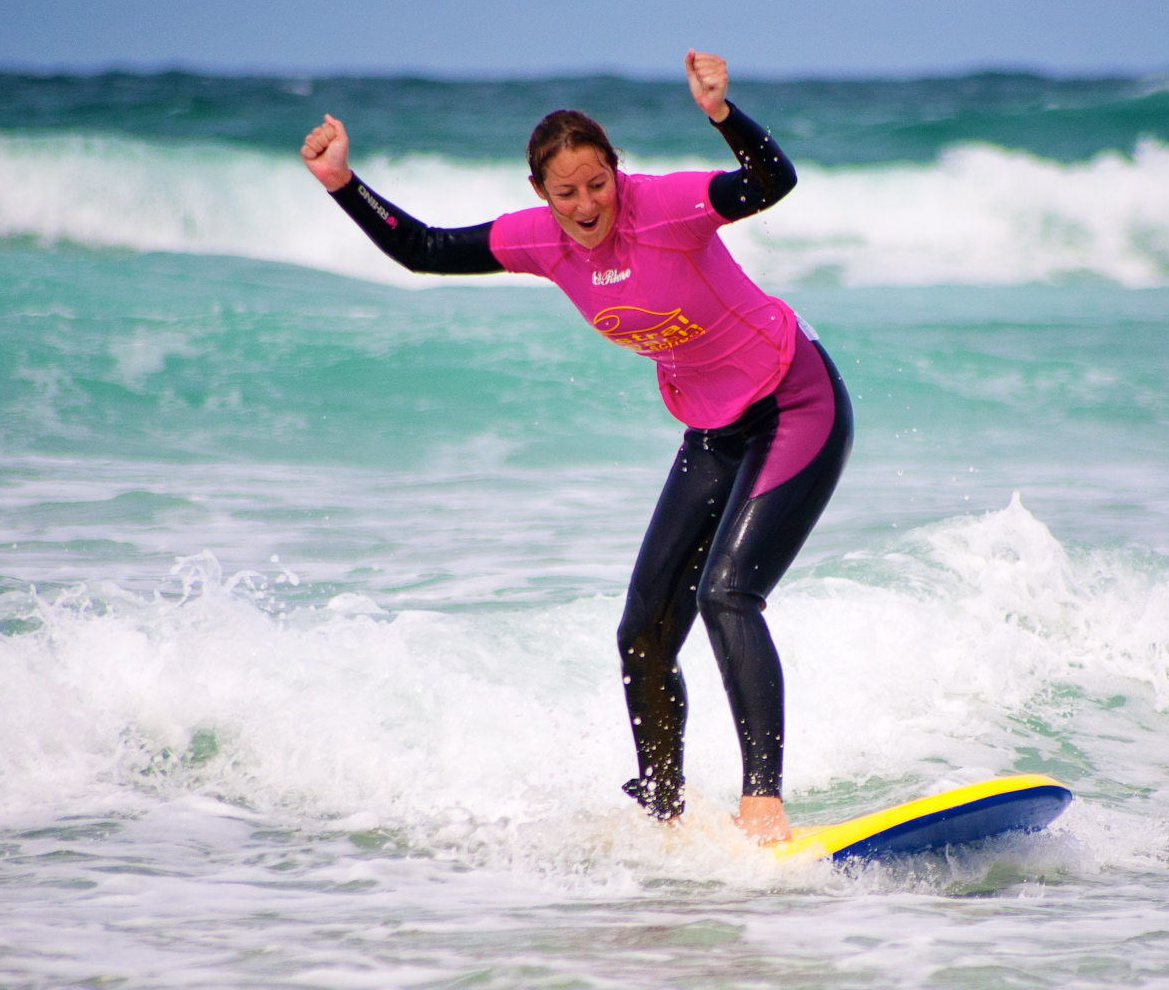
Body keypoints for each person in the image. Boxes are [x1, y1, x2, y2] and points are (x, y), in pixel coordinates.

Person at [301, 50, 851, 843]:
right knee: (643, 633)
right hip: (714, 428)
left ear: (617, 175)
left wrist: (722, 115)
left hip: (796, 401)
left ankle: (763, 801)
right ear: (541, 195)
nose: (587, 203)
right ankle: (663, 811)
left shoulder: (666, 208)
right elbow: (423, 249)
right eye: (567, 192)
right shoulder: (541, 241)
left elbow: (774, 184)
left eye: (598, 184)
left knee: (727, 596)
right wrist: (342, 184)